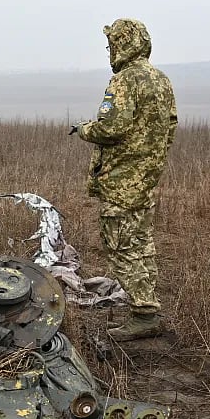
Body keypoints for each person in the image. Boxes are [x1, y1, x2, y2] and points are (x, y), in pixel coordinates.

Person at [71, 19, 178, 341]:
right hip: (145, 179)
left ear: (121, 45)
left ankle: (144, 315)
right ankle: (147, 309)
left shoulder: (125, 80)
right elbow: (170, 126)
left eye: (111, 45)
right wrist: (149, 161)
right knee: (141, 244)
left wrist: (84, 129)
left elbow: (111, 128)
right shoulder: (160, 79)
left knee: (121, 246)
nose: (109, 51)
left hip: (122, 181)